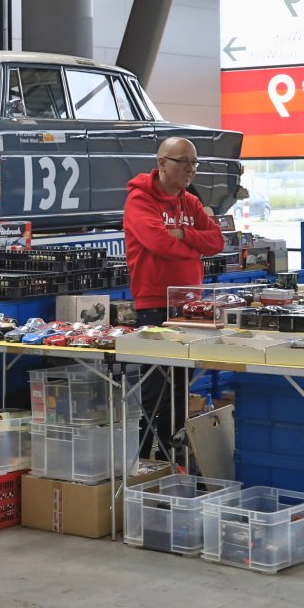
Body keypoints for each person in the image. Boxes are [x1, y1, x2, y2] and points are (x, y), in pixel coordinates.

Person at [123, 137, 224, 457]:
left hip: (190, 307)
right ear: (162, 163)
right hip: (155, 306)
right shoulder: (139, 201)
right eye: (183, 162)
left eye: (194, 163)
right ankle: (144, 463)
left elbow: (217, 242)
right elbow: (157, 243)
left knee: (180, 389)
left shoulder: (189, 202)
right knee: (155, 391)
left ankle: (170, 458)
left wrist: (182, 234)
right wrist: (194, 248)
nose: (190, 169)